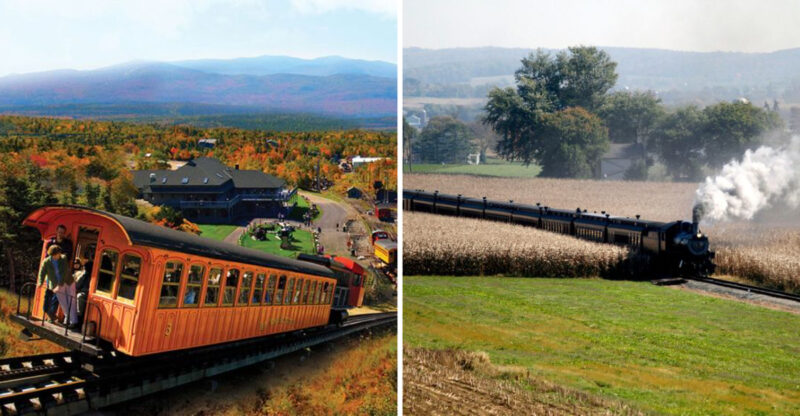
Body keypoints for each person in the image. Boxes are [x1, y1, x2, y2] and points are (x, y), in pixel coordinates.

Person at [38, 245, 79, 329]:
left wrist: (59, 285)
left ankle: (73, 321)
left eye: (59, 254)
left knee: (71, 300)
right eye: (57, 254)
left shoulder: (63, 258)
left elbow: (64, 272)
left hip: (68, 282)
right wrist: (40, 282)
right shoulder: (46, 262)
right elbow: (42, 273)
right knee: (64, 303)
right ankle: (67, 321)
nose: (59, 255)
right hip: (57, 285)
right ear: (52, 254)